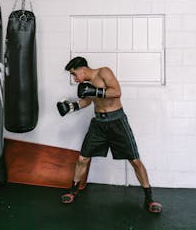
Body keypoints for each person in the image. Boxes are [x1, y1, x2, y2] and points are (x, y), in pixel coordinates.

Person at [57, 56, 162, 213]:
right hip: (98, 124)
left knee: (134, 160)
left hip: (117, 122)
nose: (74, 78)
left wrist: (94, 91)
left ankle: (149, 198)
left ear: (82, 69)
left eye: (74, 73)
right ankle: (73, 190)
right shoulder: (86, 85)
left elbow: (116, 92)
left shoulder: (103, 72)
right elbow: (88, 101)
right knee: (82, 158)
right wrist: (71, 107)